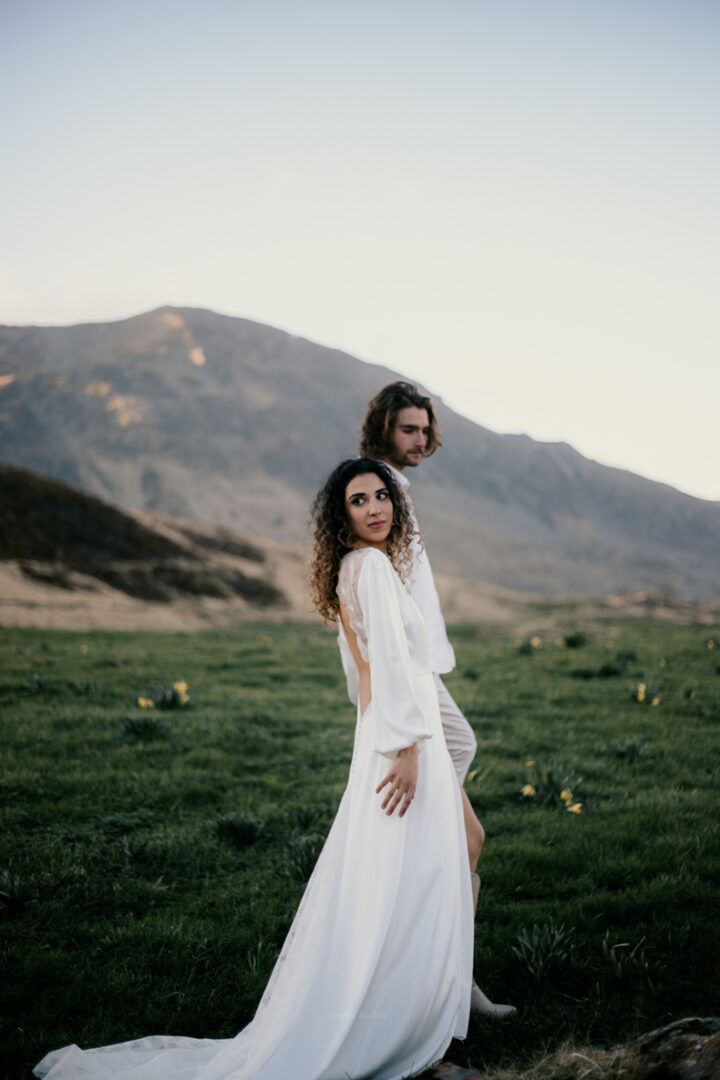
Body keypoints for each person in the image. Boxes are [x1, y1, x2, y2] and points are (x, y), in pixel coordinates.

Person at [34, 458, 473, 1080]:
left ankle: (388, 1013)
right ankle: (396, 1026)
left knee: (385, 877)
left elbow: (361, 676)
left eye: (382, 496)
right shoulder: (371, 566)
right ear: (340, 513)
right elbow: (393, 669)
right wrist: (404, 748)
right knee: (408, 877)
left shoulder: (351, 568)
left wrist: (379, 735)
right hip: (404, 742)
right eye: (358, 500)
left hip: (384, 732)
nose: (376, 507)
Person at [360, 380, 516, 1019]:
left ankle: (453, 966)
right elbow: (376, 584)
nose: (419, 440)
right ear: (384, 429)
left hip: (418, 665)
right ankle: (449, 973)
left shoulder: (396, 486)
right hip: (409, 671)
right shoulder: (377, 489)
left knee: (463, 764)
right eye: (408, 430)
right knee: (463, 812)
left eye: (425, 430)